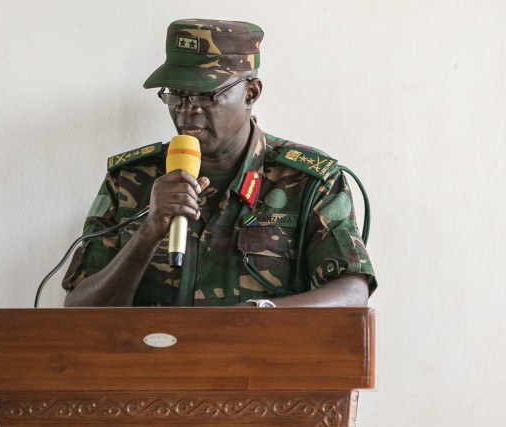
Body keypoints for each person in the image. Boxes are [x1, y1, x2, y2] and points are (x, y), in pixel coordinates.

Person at [62, 19, 376, 308]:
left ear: (251, 93)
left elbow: (351, 291)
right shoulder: (130, 179)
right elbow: (79, 309)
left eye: (204, 96)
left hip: (259, 365)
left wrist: (259, 316)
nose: (186, 111)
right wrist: (148, 231)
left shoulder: (308, 181)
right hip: (152, 365)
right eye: (177, 94)